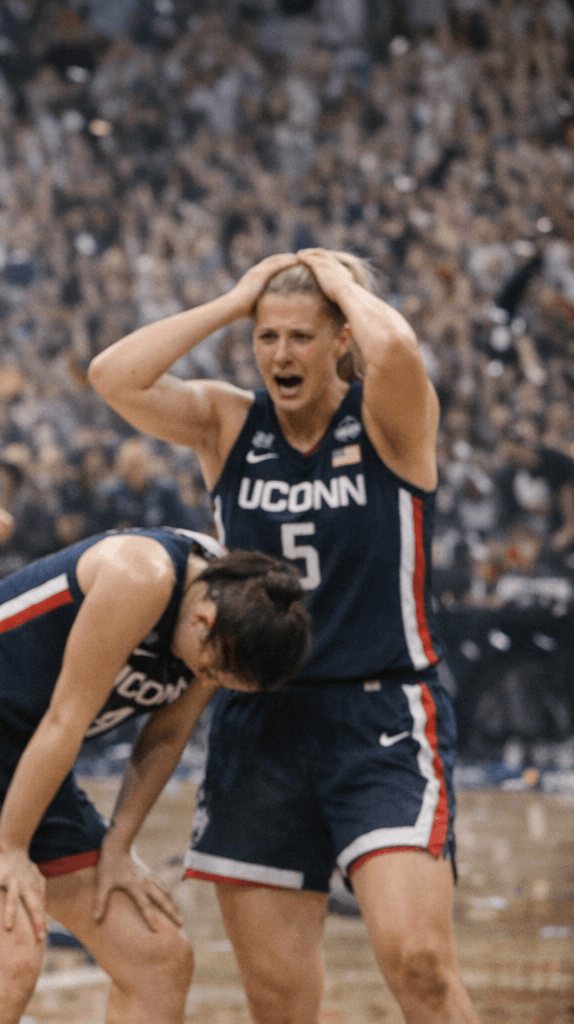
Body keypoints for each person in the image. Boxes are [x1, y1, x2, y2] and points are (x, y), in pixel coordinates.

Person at [89, 249, 479, 1022]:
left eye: (301, 336)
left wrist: (337, 283)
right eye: (268, 338)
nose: (280, 354)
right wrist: (235, 302)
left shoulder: (387, 416)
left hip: (382, 714)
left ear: (340, 339)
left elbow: (397, 349)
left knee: (420, 961)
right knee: (277, 996)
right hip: (259, 718)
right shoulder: (228, 422)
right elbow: (112, 375)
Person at [0, 529, 311, 1023]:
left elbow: (166, 736)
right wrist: (12, 850)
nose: (206, 683)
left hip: (31, 753)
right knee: (5, 964)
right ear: (204, 620)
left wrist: (118, 847)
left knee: (158, 959)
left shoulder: (235, 616)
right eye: (209, 672)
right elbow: (64, 721)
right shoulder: (142, 574)